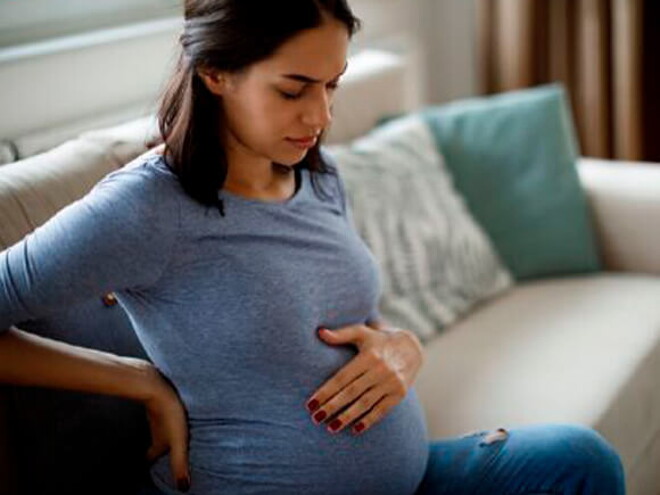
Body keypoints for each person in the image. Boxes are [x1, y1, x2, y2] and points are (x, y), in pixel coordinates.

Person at [0, 1, 626, 494]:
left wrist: (399, 347)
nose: (321, 115)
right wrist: (139, 380)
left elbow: (353, 316)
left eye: (333, 85)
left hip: (405, 476)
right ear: (215, 73)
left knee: (579, 463)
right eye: (293, 89)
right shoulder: (145, 207)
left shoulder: (317, 176)